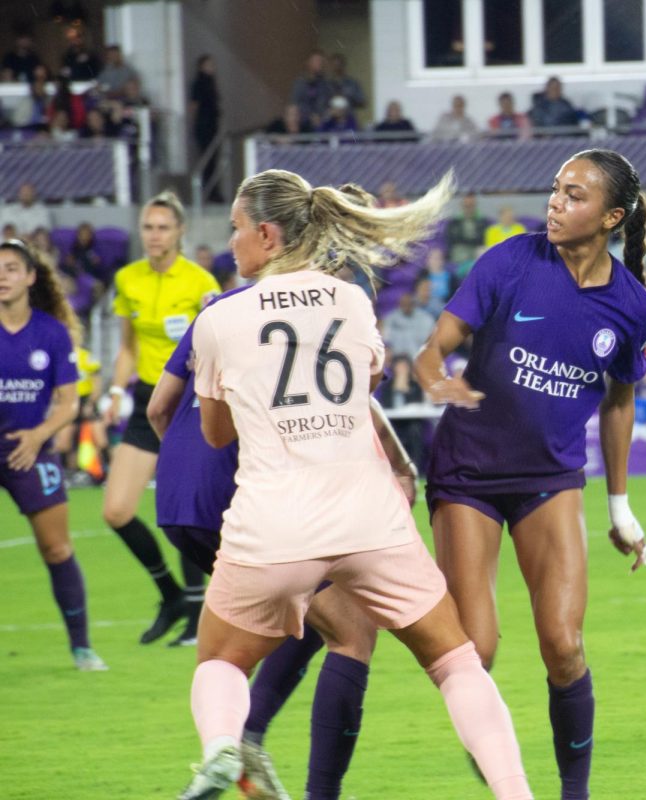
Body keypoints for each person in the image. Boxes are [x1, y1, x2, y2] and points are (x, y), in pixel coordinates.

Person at [176, 168, 532, 799]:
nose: (230, 244)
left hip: (273, 523)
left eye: (234, 230)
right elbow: (361, 390)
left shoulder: (219, 320)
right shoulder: (352, 301)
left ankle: (226, 750)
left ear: (265, 232)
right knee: (454, 661)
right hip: (370, 518)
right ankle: (515, 792)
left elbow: (214, 433)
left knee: (222, 661)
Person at [414, 148, 646, 800]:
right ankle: (509, 785)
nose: (556, 202)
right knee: (476, 652)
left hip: (551, 478)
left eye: (574, 195)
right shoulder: (510, 260)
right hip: (466, 477)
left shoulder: (631, 306)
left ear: (610, 217)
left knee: (564, 647)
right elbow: (441, 337)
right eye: (555, 189)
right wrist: (434, 366)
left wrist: (620, 507)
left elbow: (619, 398)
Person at [148, 269, 425, 800]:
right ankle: (257, 752)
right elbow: (351, 408)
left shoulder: (222, 308)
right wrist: (402, 466)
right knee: (353, 630)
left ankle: (237, 741)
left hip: (180, 499)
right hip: (248, 496)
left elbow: (159, 406)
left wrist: (190, 471)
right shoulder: (327, 310)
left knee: (295, 612)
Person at [102, 192, 219, 646]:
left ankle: (196, 614)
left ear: (180, 232)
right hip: (145, 397)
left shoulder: (199, 282)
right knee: (115, 510)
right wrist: (114, 390)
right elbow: (129, 345)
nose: (154, 235)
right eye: (148, 227)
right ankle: (170, 595)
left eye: (163, 227)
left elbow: (212, 344)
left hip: (186, 401)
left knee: (183, 506)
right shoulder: (127, 279)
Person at [0, 239, 105, 672]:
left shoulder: (52, 333)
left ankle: (82, 647)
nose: (2, 276)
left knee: (57, 549)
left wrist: (37, 435)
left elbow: (68, 403)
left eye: (11, 268)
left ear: (30, 277)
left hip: (31, 451)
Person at [189, 55, 221, 202]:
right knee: (207, 160)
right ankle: (208, 192)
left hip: (212, 125)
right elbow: (194, 106)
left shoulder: (211, 83)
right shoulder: (198, 83)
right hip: (204, 125)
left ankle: (213, 190)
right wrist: (195, 124)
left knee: (213, 160)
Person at [290, 50, 331, 129]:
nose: (319, 64)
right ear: (308, 62)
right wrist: (309, 116)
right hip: (303, 125)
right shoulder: (300, 83)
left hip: (322, 125)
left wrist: (322, 117)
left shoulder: (325, 84)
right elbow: (294, 105)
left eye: (321, 61)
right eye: (316, 61)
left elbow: (330, 105)